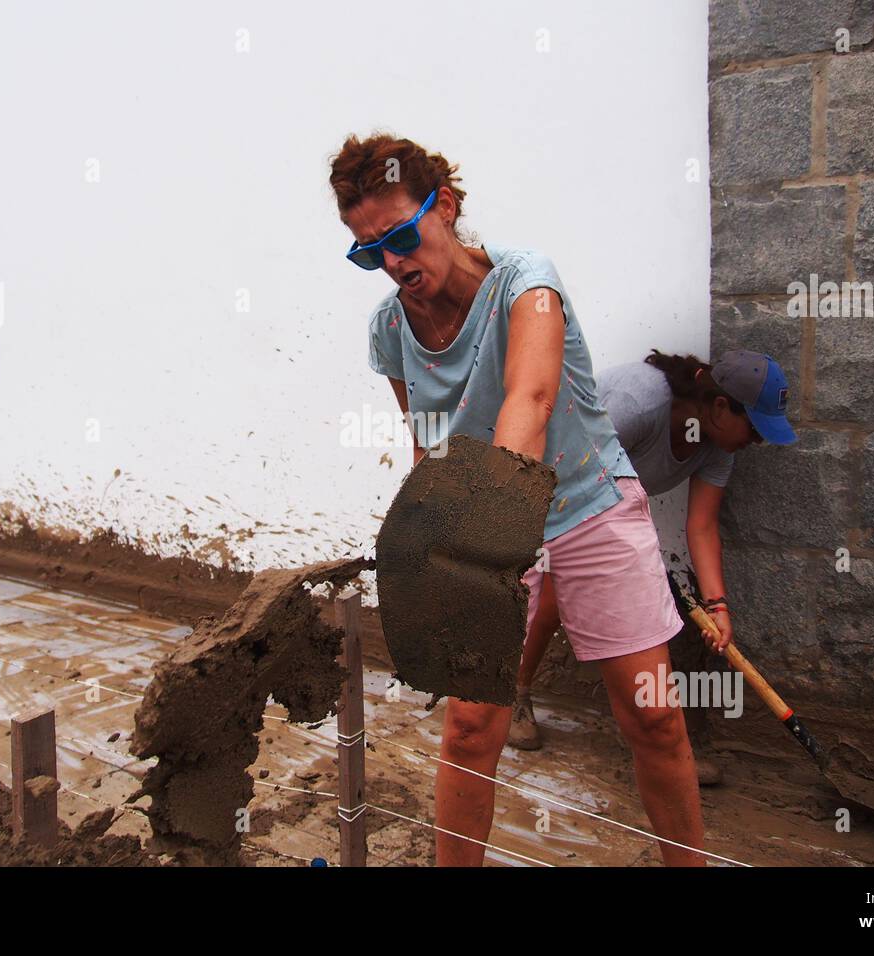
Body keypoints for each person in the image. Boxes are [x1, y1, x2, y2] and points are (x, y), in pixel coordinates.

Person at [331, 132, 706, 866]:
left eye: (403, 236)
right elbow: (429, 441)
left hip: (584, 503)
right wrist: (430, 541)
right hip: (484, 524)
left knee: (654, 717)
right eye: (369, 251)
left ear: (443, 206)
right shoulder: (390, 329)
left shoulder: (527, 281)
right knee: (471, 728)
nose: (394, 262)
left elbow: (529, 402)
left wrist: (484, 537)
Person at [508, 349, 798, 786]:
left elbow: (700, 527)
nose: (755, 442)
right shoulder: (638, 402)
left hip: (607, 511)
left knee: (642, 619)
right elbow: (567, 467)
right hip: (552, 482)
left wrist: (718, 607)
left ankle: (656, 738)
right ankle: (512, 693)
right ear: (721, 406)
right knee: (553, 588)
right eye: (755, 430)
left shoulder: (718, 446)